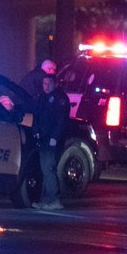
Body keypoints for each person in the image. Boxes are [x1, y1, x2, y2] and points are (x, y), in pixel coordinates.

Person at [32, 73, 70, 211]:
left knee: (48, 169)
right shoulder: (42, 97)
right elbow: (37, 116)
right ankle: (46, 200)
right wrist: (35, 132)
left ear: (55, 84)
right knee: (44, 169)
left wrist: (55, 137)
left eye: (49, 84)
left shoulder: (60, 99)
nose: (46, 87)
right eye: (44, 84)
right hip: (43, 138)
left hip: (52, 140)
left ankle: (54, 199)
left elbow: (61, 121)